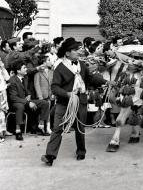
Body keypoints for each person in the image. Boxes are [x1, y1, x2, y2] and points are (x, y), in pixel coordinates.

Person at [41, 38, 109, 166]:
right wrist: (67, 94)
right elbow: (55, 87)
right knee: (57, 128)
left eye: (79, 49)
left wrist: (106, 82)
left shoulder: (82, 65)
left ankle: (81, 151)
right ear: (67, 53)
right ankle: (50, 155)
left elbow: (91, 78)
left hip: (81, 100)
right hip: (64, 102)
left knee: (80, 127)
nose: (79, 52)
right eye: (75, 50)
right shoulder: (60, 68)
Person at [7, 60, 50, 140]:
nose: (26, 69)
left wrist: (29, 94)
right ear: (18, 71)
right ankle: (18, 131)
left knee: (45, 103)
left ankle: (41, 125)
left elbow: (27, 90)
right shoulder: (12, 80)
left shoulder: (25, 78)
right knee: (20, 107)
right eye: (24, 68)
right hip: (16, 103)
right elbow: (13, 97)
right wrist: (27, 102)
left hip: (25, 101)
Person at [0, 57, 10, 142]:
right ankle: (0, 134)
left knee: (3, 112)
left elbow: (7, 78)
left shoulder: (1, 70)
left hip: (3, 93)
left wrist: (3, 68)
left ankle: (3, 130)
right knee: (1, 113)